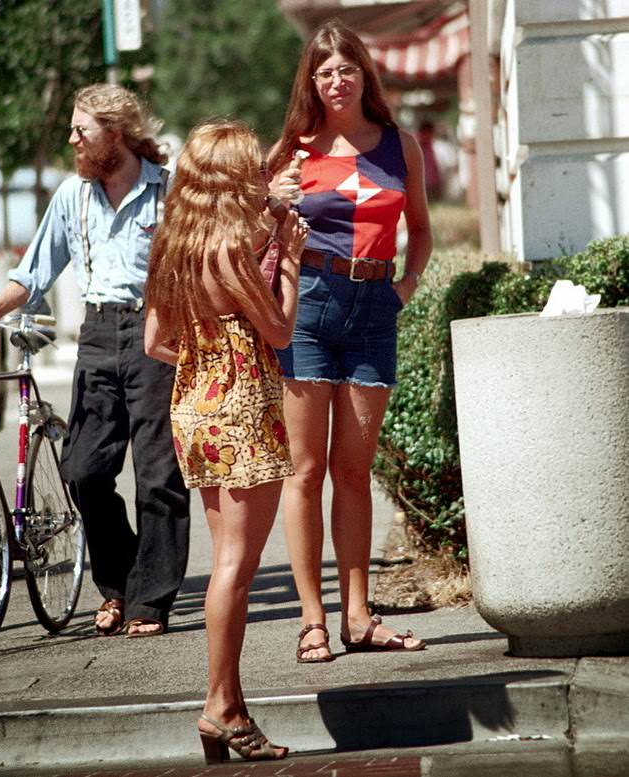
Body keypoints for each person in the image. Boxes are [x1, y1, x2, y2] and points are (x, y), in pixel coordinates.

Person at [0, 84, 190, 639]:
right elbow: (32, 272)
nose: (72, 139)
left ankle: (147, 601)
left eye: (81, 130)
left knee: (158, 476)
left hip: (157, 331)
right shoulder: (72, 197)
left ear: (116, 132)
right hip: (98, 332)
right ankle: (125, 577)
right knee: (81, 471)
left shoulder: (168, 190)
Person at [268, 19, 433, 663]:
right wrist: (272, 199)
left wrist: (406, 286)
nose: (337, 81)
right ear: (311, 82)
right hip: (307, 304)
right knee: (306, 472)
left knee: (355, 471)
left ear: (364, 75)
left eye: (347, 70)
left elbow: (418, 228)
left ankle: (358, 615)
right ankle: (313, 618)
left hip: (373, 306)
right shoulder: (293, 148)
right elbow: (258, 230)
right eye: (325, 72)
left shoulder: (399, 145)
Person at [144, 119, 308, 762]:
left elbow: (155, 341)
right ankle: (220, 706)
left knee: (225, 564)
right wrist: (289, 254)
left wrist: (206, 354)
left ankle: (229, 705)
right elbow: (281, 330)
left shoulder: (176, 244)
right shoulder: (232, 251)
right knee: (236, 567)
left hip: (193, 404)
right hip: (242, 405)